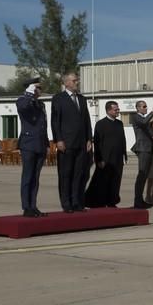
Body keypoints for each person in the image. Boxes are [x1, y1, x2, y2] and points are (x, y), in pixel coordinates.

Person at [51, 72, 92, 213]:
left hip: (81, 143)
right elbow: (55, 121)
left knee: (78, 174)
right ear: (66, 83)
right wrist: (59, 140)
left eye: (77, 80)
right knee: (65, 174)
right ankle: (66, 203)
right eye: (74, 81)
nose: (77, 83)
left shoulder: (82, 99)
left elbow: (86, 120)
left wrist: (89, 139)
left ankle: (76, 202)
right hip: (66, 143)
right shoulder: (58, 99)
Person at [16, 77, 49, 217]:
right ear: (31, 88)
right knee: (27, 176)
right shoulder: (23, 100)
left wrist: (46, 143)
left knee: (35, 177)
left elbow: (43, 125)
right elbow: (23, 107)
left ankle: (33, 206)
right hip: (28, 144)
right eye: (37, 87)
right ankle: (26, 207)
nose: (40, 90)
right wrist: (29, 94)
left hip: (40, 143)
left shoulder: (40, 104)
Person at [85, 101, 126, 208]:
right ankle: (99, 202)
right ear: (108, 110)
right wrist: (98, 159)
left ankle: (112, 201)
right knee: (103, 181)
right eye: (115, 109)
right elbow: (97, 143)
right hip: (105, 159)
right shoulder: (101, 124)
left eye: (118, 109)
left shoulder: (119, 123)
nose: (118, 111)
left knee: (116, 181)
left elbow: (122, 140)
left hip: (117, 158)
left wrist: (124, 155)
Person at [130, 100, 153, 209]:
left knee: (145, 175)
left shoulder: (144, 118)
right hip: (143, 148)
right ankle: (138, 201)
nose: (146, 108)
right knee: (141, 174)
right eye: (144, 106)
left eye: (146, 106)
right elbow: (144, 123)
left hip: (148, 148)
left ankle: (140, 200)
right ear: (138, 108)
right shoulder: (136, 117)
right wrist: (152, 112)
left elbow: (148, 129)